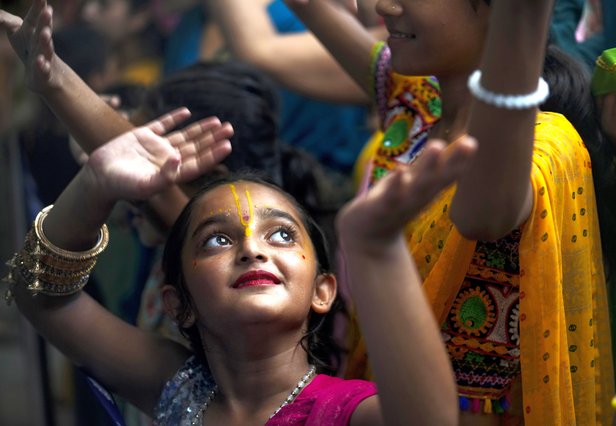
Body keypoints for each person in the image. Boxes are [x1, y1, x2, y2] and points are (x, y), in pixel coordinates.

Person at [2, 103, 474, 424]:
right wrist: (96, 183)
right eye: (217, 240)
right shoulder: (175, 387)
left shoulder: (346, 410)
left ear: (323, 291)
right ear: (178, 303)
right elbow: (42, 300)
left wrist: (378, 249)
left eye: (282, 234)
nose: (252, 249)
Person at [283, 0, 615, 424]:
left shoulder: (541, 148)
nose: (385, 6)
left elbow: (482, 215)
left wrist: (520, 25)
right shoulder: (418, 111)